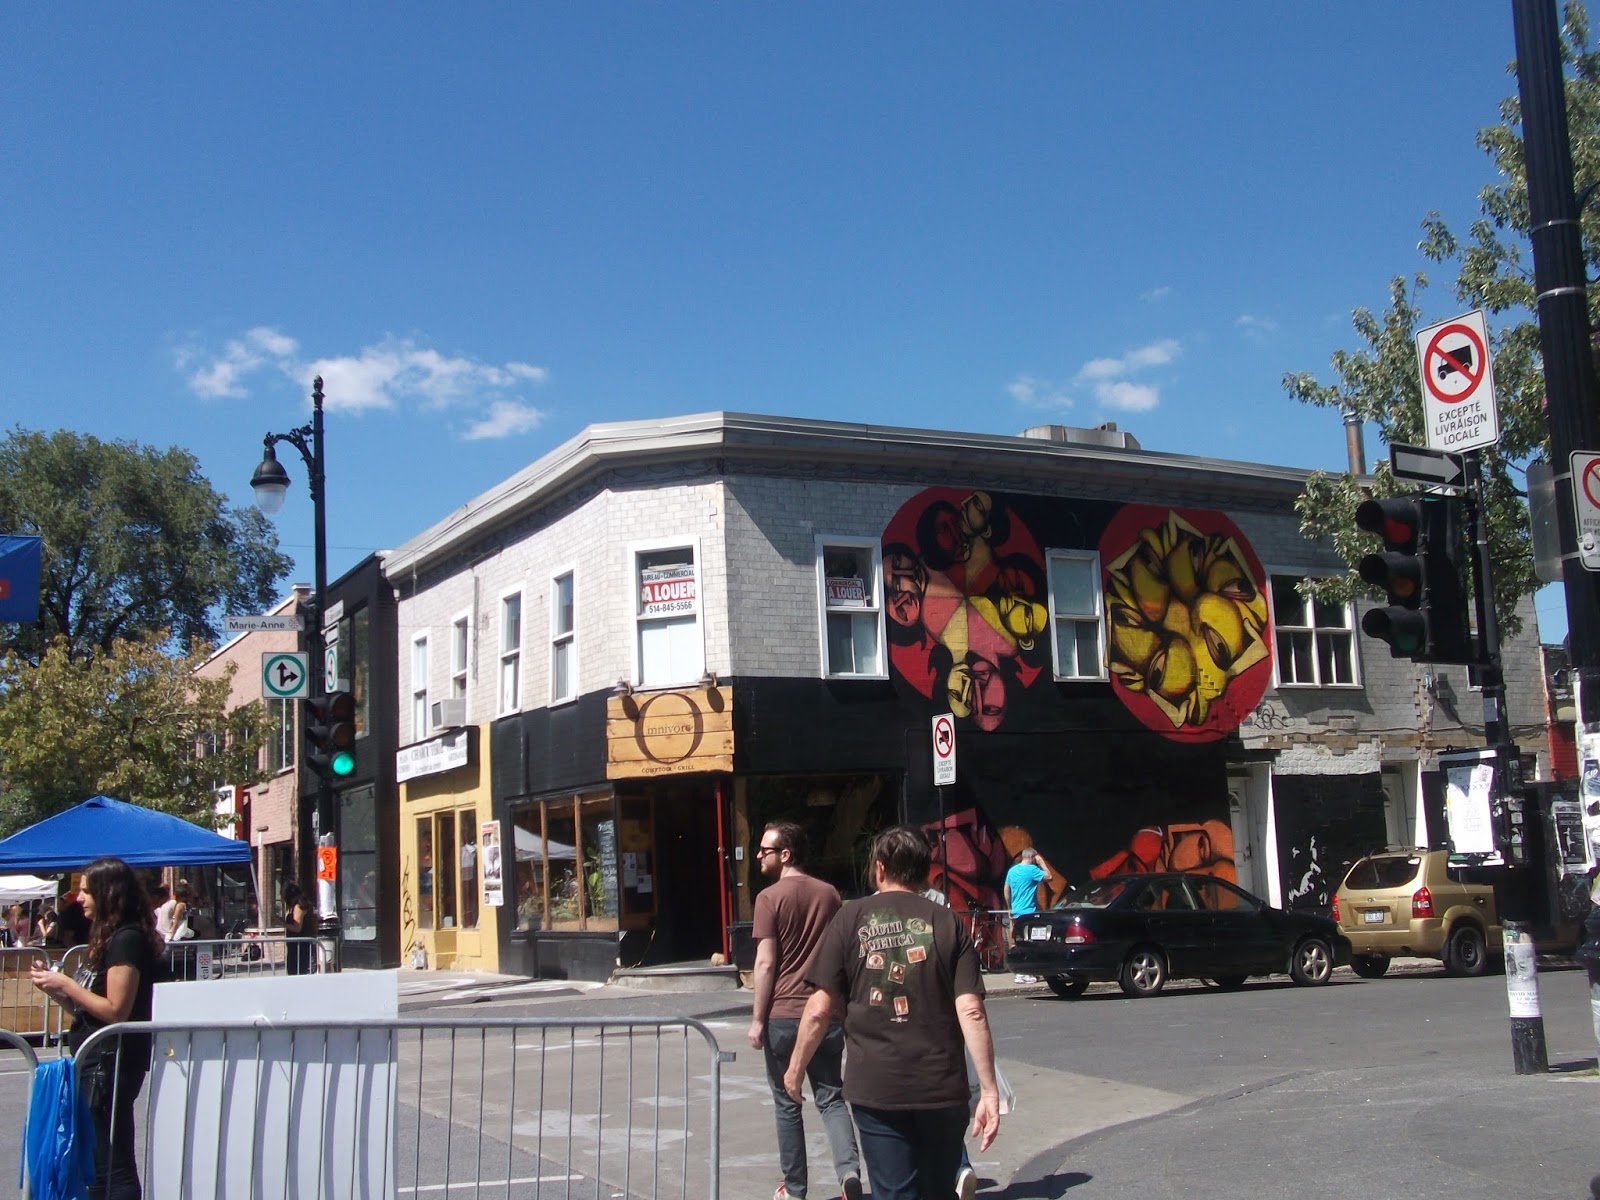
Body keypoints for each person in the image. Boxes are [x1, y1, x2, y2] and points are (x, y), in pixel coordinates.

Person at [784, 825, 1000, 1200]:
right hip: (941, 1086)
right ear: (924, 871)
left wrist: (795, 1068)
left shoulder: (850, 920)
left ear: (879, 869)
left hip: (877, 1086)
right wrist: (990, 1091)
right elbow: (972, 1010)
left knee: (894, 1191)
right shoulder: (948, 922)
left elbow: (819, 1009)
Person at [31, 856, 163, 1200]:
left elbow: (116, 1010)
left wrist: (68, 983)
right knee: (97, 1164)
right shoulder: (109, 939)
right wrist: (59, 993)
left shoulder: (127, 939)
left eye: (87, 891)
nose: (80, 899)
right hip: (95, 1059)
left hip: (111, 1064)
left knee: (113, 1164)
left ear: (108, 894)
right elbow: (90, 1010)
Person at [746, 821, 862, 1200]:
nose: (758, 855)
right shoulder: (829, 894)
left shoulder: (767, 898)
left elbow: (765, 964)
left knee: (787, 1101)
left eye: (765, 849)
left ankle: (794, 1189)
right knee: (831, 1097)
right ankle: (849, 1174)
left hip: (782, 1013)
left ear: (786, 854)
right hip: (825, 1011)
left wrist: (757, 1019)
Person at [1003, 847, 1052, 985]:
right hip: (1028, 913)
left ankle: (1021, 972)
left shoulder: (1012, 871)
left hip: (1016, 912)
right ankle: (1023, 973)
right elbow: (1049, 877)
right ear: (1032, 858)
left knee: (1017, 942)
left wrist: (1009, 908)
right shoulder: (1032, 870)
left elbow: (1006, 890)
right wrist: (1041, 862)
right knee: (1029, 942)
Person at [282, 882, 315, 975]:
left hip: (299, 946)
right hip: (294, 945)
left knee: (297, 971)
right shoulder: (295, 906)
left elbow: (297, 928)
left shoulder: (298, 906)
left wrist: (282, 924)